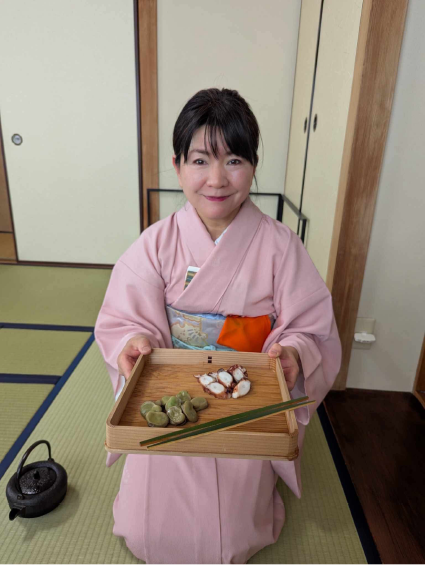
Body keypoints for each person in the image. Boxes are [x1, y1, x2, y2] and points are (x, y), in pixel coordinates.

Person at [95, 88, 342, 564]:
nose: (216, 179)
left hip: (243, 399)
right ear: (177, 166)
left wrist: (292, 352)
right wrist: (134, 342)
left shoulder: (281, 246)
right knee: (146, 529)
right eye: (200, 161)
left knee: (231, 532)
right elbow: (123, 319)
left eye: (233, 161)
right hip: (173, 395)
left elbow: (311, 326)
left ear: (253, 165)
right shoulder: (156, 244)